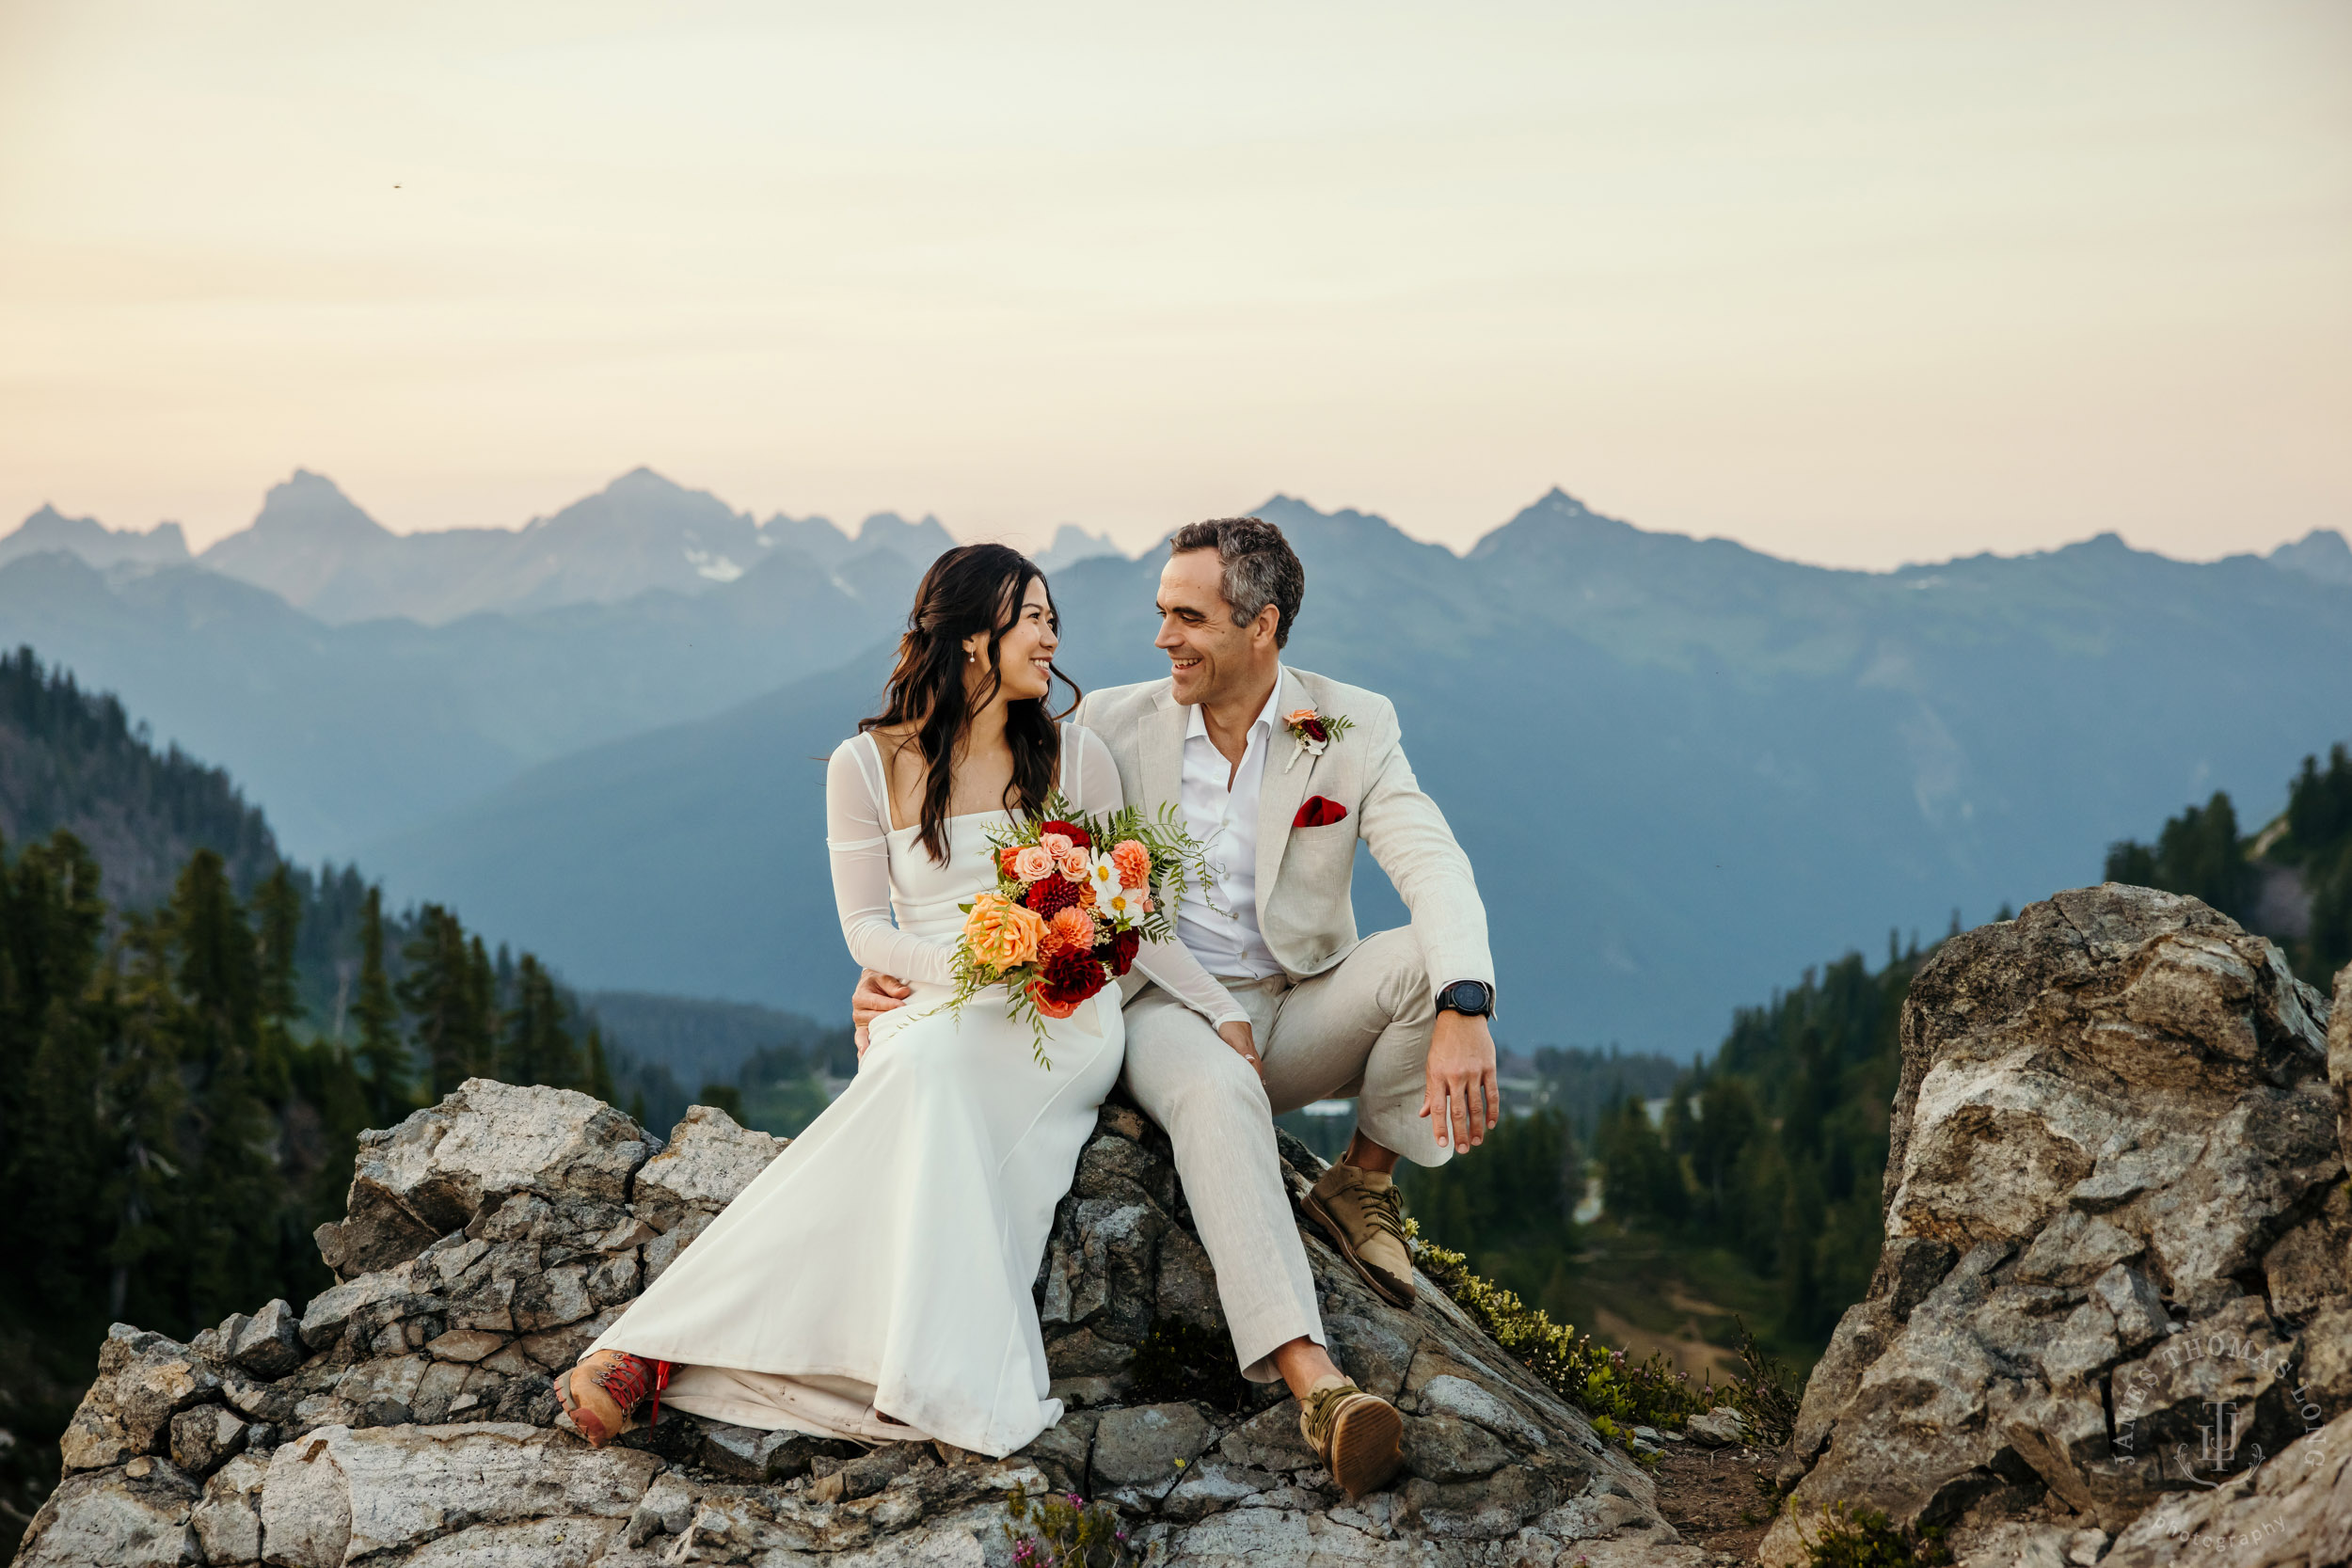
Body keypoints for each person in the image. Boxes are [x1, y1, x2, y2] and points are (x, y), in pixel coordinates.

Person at [554, 544, 1263, 1463]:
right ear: (975, 638)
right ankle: (685, 1342)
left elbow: (1134, 915)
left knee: (930, 1069)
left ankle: (654, 1345)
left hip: (1059, 1017)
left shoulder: (1074, 755)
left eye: (1054, 619)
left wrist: (1219, 1008)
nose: (1052, 636)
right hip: (936, 999)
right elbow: (864, 930)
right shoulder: (864, 762)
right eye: (1034, 617)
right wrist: (963, 969)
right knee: (927, 1061)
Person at [856, 516, 1497, 1497]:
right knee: (1212, 1094)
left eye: (1188, 617)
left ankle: (1359, 1182)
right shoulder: (1107, 726)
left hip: (1306, 998)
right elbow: (986, 845)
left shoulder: (1351, 722)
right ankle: (1316, 1382)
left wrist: (1464, 1003)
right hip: (1166, 1008)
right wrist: (899, 978)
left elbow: (1433, 861)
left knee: (1422, 958)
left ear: (1263, 626)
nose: (1164, 637)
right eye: (1162, 612)